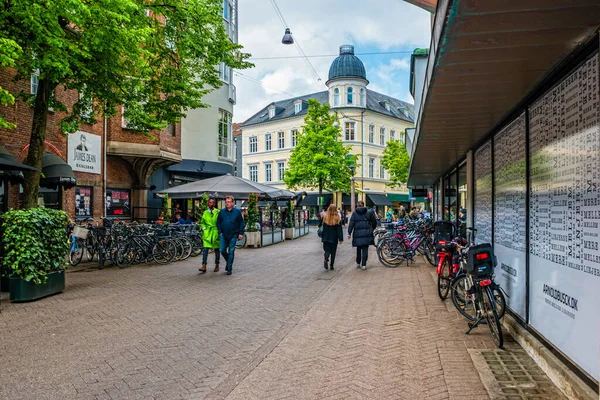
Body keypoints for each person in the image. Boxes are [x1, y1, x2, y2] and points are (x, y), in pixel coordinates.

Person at [216, 196, 245, 275]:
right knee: (222, 250)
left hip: (233, 235)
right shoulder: (222, 212)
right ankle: (228, 262)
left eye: (228, 202)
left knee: (231, 251)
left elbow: (241, 223)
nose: (227, 203)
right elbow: (218, 222)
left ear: (233, 203)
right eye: (226, 202)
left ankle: (229, 268)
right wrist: (220, 232)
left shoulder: (237, 212)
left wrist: (240, 233)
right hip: (223, 234)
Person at [348, 201, 377, 270]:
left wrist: (349, 232)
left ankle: (358, 262)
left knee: (358, 248)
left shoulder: (355, 213)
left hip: (358, 234)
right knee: (365, 249)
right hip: (367, 233)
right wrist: (372, 228)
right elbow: (374, 222)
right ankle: (364, 264)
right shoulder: (369, 212)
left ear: (357, 205)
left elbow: (351, 223)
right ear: (364, 205)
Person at [319, 204, 343, 270]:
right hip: (334, 237)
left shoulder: (325, 216)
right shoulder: (337, 217)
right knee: (333, 252)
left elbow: (320, 225)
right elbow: (339, 229)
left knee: (327, 250)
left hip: (325, 237)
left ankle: (326, 258)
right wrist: (340, 238)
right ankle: (331, 265)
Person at [199, 198, 220, 274]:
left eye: (212, 202)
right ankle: (204, 265)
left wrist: (219, 230)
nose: (210, 204)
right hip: (207, 233)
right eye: (209, 202)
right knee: (205, 250)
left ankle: (217, 264)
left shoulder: (217, 211)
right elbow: (202, 222)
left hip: (215, 232)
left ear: (214, 204)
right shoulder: (205, 212)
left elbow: (220, 221)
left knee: (217, 249)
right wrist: (204, 228)